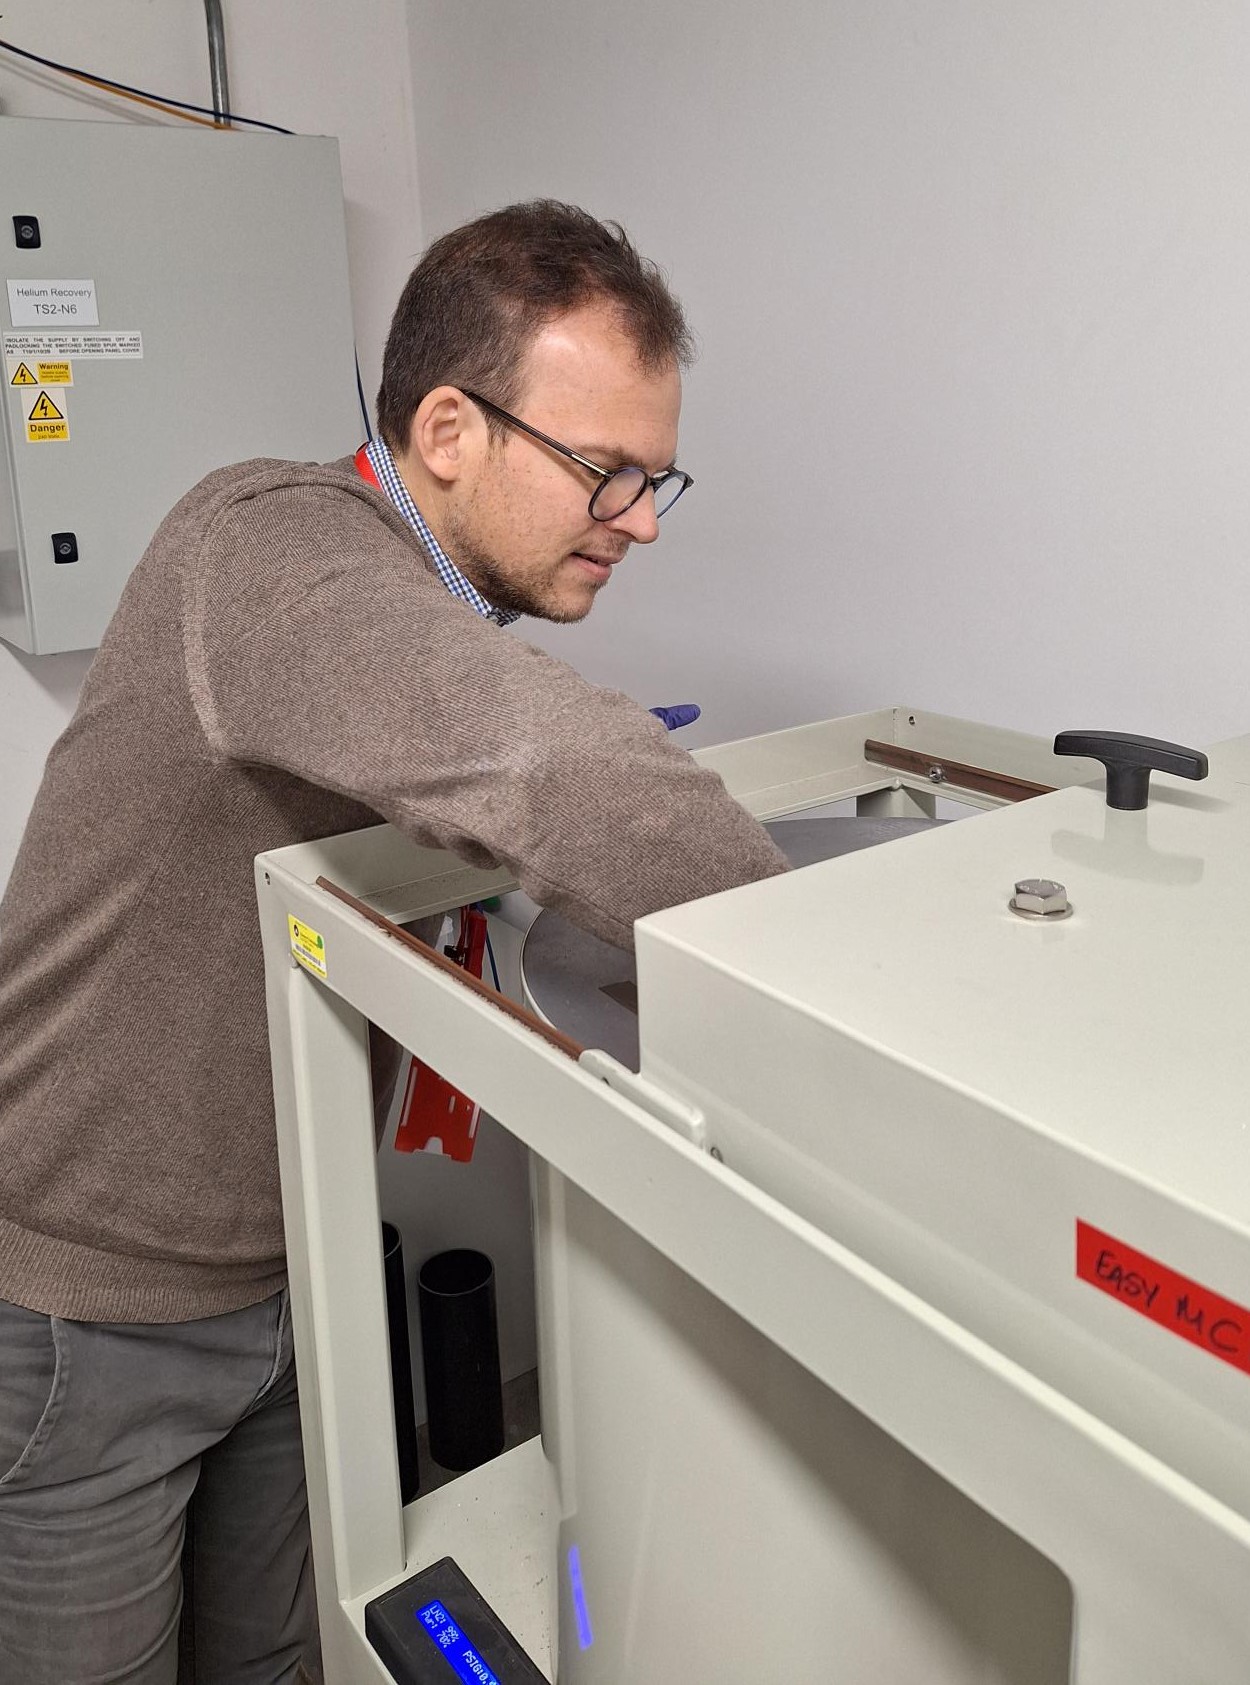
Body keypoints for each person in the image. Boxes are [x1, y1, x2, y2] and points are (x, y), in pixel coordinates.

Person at [0, 199, 788, 1683]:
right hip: (75, 1315)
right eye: (605, 472)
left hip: (278, 1271)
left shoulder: (404, 615)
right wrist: (834, 1000)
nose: (641, 520)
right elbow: (553, 768)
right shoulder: (270, 544)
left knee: (280, 1661)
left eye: (655, 474)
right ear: (447, 427)